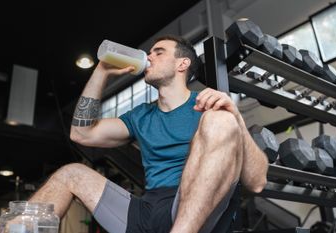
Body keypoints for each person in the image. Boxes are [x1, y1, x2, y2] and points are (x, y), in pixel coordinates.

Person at [29, 35, 268, 233]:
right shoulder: (140, 116)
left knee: (219, 119)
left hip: (191, 208)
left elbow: (257, 183)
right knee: (70, 173)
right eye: (150, 52)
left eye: (159, 52)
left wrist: (234, 116)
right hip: (147, 210)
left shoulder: (209, 103)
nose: (149, 56)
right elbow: (81, 134)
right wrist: (101, 71)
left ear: (182, 64)